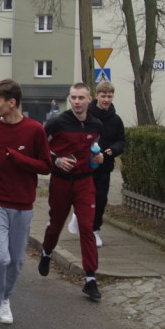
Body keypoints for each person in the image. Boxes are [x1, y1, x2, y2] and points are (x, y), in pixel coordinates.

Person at [0, 78, 52, 329]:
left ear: (12, 102)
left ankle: (6, 297)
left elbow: (45, 166)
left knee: (16, 262)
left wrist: (17, 157)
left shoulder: (35, 130)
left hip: (23, 204)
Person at [37, 83, 106, 301]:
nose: (76, 102)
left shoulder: (96, 124)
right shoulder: (57, 122)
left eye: (81, 98)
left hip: (85, 182)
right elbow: (39, 146)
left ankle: (90, 279)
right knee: (56, 223)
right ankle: (47, 252)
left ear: (89, 100)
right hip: (61, 181)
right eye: (73, 97)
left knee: (87, 227)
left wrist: (98, 159)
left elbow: (95, 150)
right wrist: (55, 160)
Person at [88, 81, 126, 247]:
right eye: (103, 96)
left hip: (104, 168)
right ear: (97, 96)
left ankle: (95, 230)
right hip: (86, 166)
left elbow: (121, 141)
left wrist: (113, 149)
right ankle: (82, 223)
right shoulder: (87, 116)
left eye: (109, 96)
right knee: (85, 198)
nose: (106, 99)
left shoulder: (116, 120)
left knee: (100, 199)